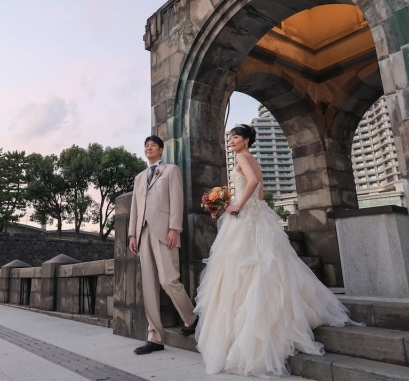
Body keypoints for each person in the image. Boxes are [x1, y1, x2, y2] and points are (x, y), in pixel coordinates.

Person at [194, 124, 361, 376]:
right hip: (258, 214)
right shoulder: (253, 159)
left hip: (245, 215)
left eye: (236, 137)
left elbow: (251, 184)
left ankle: (245, 334)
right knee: (264, 263)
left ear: (246, 140)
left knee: (243, 266)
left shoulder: (242, 156)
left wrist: (236, 205)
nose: (231, 140)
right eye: (230, 137)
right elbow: (260, 194)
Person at [128, 136, 198, 355]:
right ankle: (155, 338)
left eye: (153, 145)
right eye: (146, 145)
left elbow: (177, 199)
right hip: (142, 232)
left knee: (168, 280)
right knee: (148, 286)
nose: (148, 147)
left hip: (164, 231)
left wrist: (174, 228)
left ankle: (192, 319)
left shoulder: (170, 170)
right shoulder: (139, 177)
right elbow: (135, 208)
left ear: (161, 149)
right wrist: (132, 234)